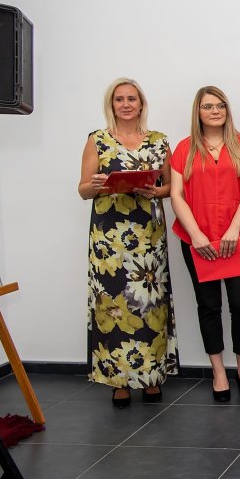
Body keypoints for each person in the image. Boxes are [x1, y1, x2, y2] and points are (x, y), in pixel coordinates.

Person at [78, 77, 178, 408]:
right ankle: (117, 381)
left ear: (141, 104)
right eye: (119, 99)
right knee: (111, 303)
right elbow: (83, 189)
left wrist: (155, 190)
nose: (125, 104)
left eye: (131, 98)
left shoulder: (159, 141)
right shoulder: (98, 139)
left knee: (149, 304)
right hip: (109, 240)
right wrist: (96, 185)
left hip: (148, 235)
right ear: (112, 104)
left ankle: (151, 377)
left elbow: (171, 187)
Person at [169, 86, 240, 403]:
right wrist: (195, 234)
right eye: (208, 106)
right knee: (209, 306)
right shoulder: (184, 149)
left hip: (236, 238)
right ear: (198, 111)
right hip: (198, 241)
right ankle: (219, 372)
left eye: (220, 105)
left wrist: (234, 228)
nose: (215, 111)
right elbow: (176, 195)